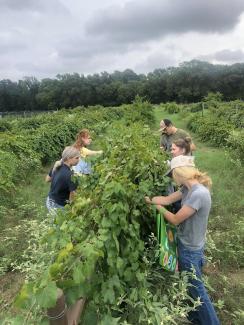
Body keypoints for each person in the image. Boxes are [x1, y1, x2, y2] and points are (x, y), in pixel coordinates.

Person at [145, 155, 220, 325]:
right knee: (190, 286)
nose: (172, 178)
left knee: (197, 290)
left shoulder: (199, 194)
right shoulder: (188, 188)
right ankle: (196, 319)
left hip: (190, 249)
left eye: (173, 175)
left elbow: (175, 219)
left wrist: (158, 208)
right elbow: (166, 200)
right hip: (189, 244)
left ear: (179, 173)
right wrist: (149, 200)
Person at [46, 146, 80, 213]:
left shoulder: (57, 166)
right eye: (77, 158)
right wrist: (72, 210)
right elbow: (72, 197)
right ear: (69, 158)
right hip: (58, 205)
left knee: (53, 222)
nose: (79, 160)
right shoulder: (71, 176)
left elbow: (47, 179)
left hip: (50, 200)